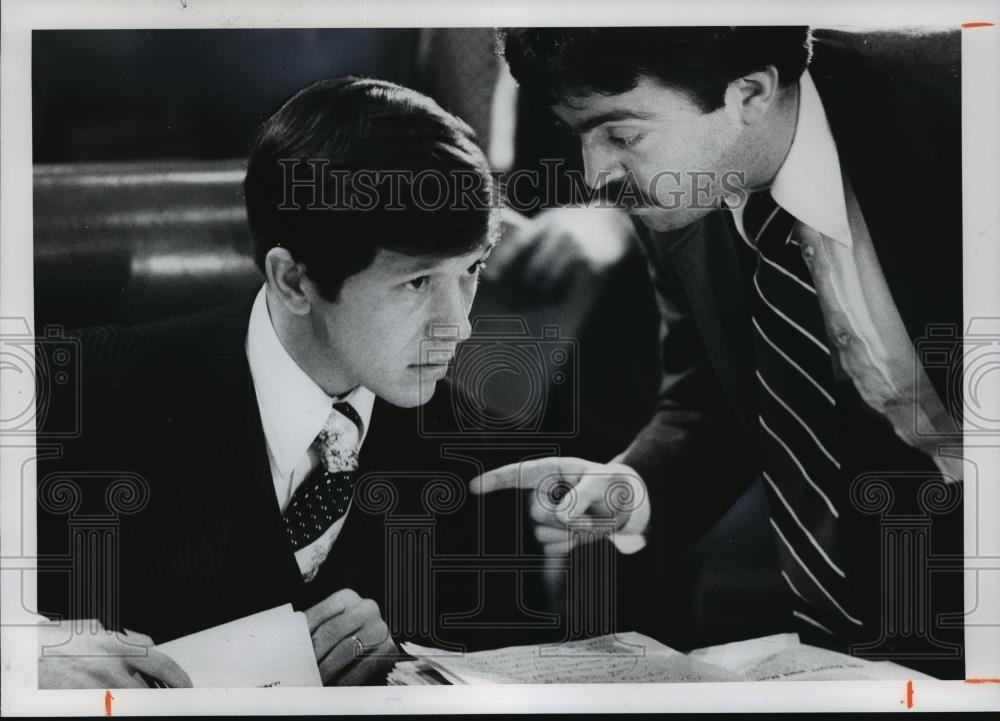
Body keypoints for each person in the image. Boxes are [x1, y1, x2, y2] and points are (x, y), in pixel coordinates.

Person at [475, 27, 965, 678]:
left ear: (751, 93)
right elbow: (710, 398)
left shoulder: (959, 101)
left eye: (620, 134)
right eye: (579, 134)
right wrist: (631, 485)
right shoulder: (682, 190)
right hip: (912, 578)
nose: (596, 176)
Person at [36, 76, 500, 687]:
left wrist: (413, 671)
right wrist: (27, 649)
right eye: (416, 283)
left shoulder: (480, 451)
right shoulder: (81, 390)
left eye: (472, 270)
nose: (458, 327)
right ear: (293, 281)